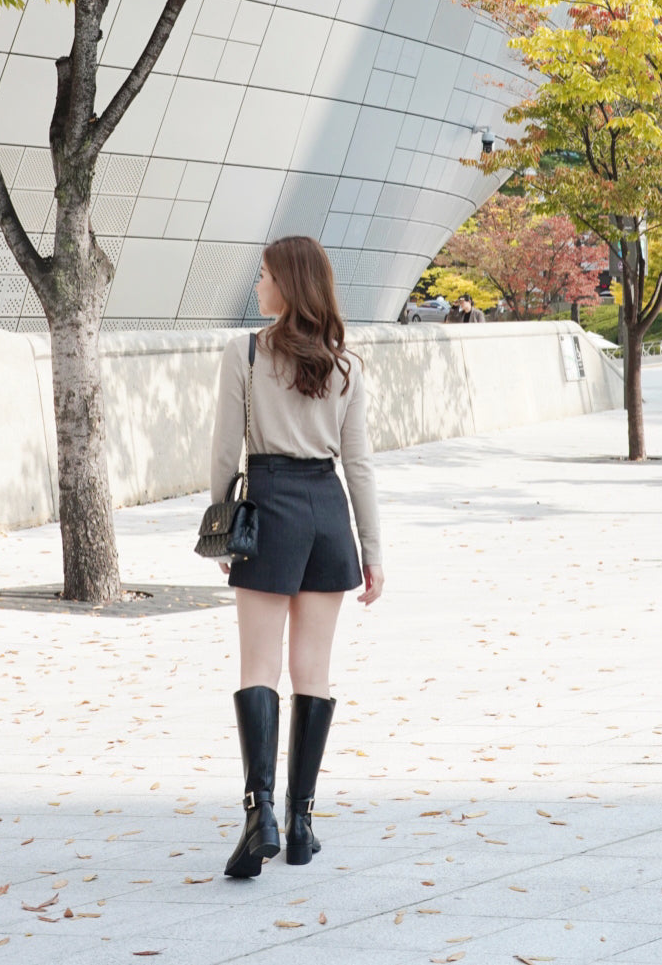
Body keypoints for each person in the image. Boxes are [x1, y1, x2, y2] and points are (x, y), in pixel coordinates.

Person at [210, 236, 384, 879]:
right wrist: (373, 552)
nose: (257, 287)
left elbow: (224, 455)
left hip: (272, 506)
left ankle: (261, 816)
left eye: (262, 277)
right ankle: (303, 819)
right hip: (329, 512)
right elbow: (359, 465)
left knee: (259, 664)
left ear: (287, 284)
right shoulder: (344, 365)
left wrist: (224, 532)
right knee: (314, 671)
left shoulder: (246, 352)